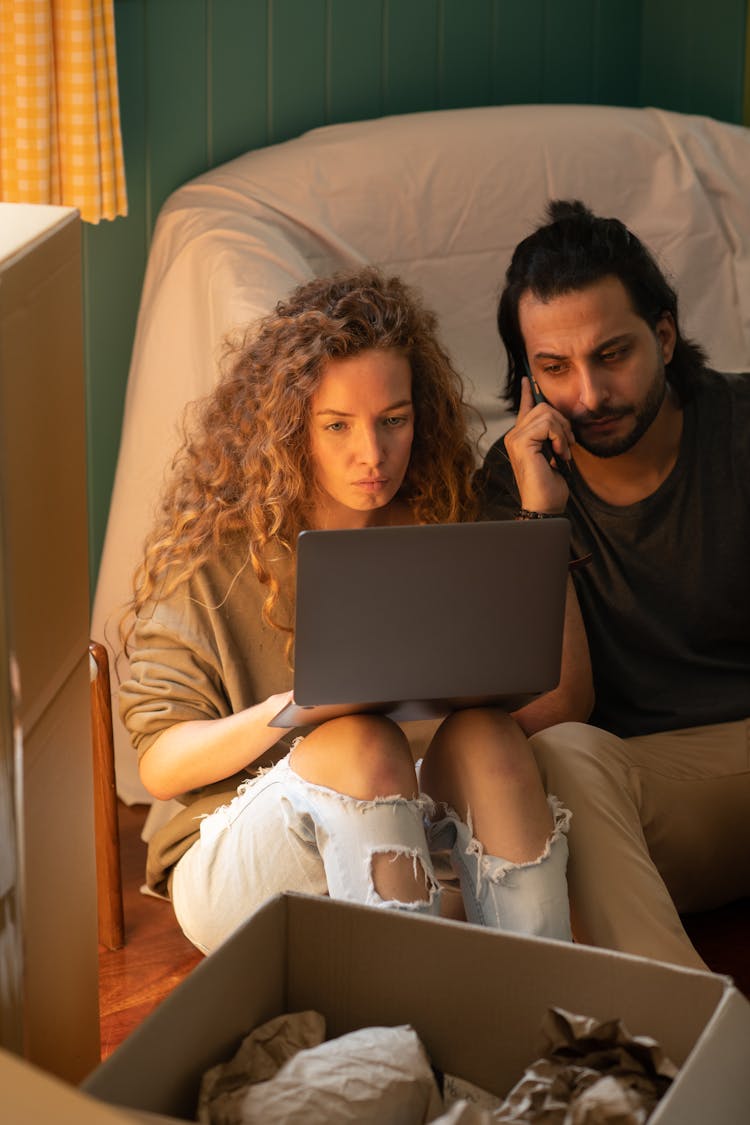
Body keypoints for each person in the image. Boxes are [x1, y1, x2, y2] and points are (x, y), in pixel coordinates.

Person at [119, 267, 591, 955]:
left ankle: (548, 1007)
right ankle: (404, 1020)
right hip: (241, 857)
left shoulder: (441, 521)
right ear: (291, 426)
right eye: (336, 425)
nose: (371, 455)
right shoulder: (216, 554)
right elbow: (159, 765)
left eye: (393, 421)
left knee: (489, 735)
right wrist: (295, 707)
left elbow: (560, 705)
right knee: (357, 739)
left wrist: (544, 518)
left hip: (408, 837)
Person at [476, 199, 750, 970]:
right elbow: (558, 708)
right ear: (526, 378)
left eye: (613, 354)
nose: (589, 395)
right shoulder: (511, 485)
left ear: (663, 336)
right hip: (645, 803)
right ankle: (692, 1034)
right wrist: (543, 516)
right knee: (560, 756)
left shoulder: (739, 428)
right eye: (555, 369)